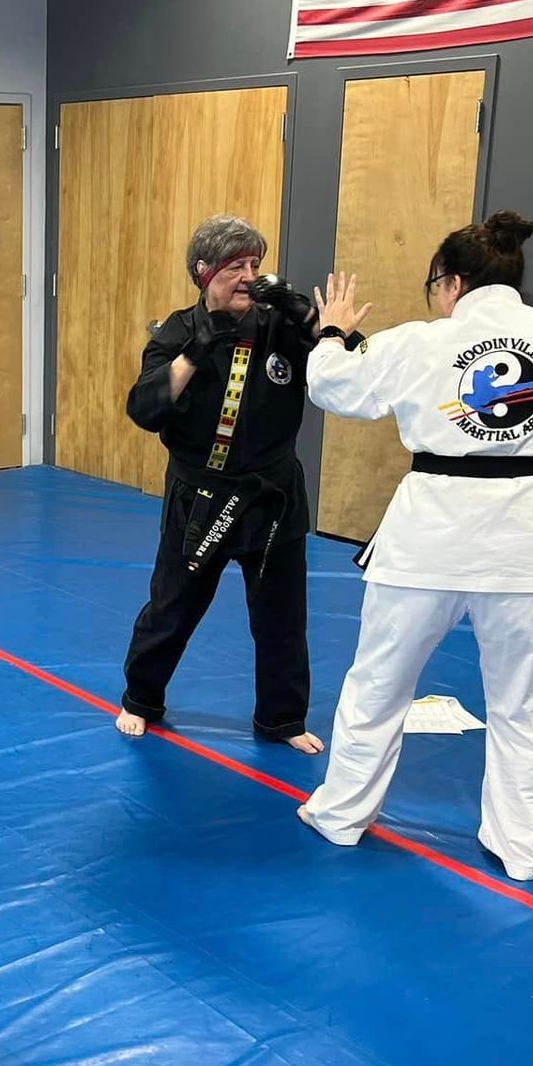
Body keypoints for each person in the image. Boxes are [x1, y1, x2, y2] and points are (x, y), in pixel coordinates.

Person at [296, 212, 533, 882]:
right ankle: (521, 847)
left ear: (453, 282)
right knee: (528, 705)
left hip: (431, 540)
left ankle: (341, 814)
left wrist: (335, 331)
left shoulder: (422, 344)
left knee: (379, 684)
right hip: (528, 541)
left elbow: (331, 385)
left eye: (435, 284)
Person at [116, 214, 323, 754]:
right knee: (173, 605)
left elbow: (345, 368)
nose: (249, 276)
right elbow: (145, 409)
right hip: (203, 498)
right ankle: (141, 698)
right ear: (204, 273)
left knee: (282, 615)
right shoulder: (177, 332)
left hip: (272, 496)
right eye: (236, 266)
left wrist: (319, 326)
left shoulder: (278, 325)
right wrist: (196, 350)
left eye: (255, 264)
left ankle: (282, 718)